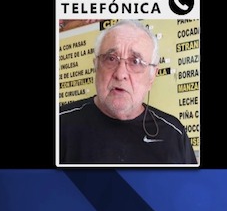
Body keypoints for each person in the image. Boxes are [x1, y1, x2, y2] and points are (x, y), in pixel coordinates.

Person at [59, 19, 198, 165]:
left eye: (135, 62)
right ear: (96, 67)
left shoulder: (173, 134)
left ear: (152, 76)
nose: (120, 74)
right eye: (111, 59)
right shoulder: (60, 124)